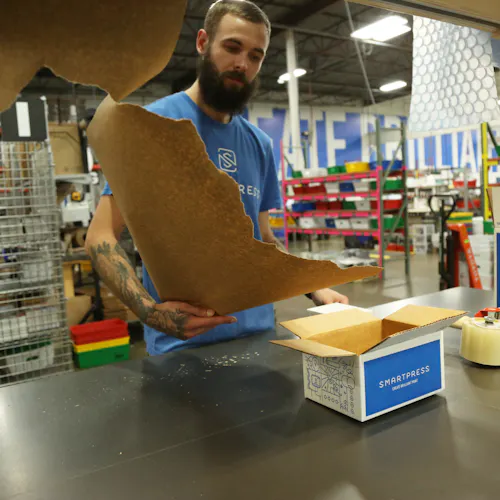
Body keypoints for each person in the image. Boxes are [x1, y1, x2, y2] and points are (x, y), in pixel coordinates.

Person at [85, 0, 348, 356]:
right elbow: (100, 236)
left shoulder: (259, 143)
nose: (242, 64)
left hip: (259, 337)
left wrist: (315, 287)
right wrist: (149, 312)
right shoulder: (153, 127)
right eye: (232, 47)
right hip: (183, 346)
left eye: (256, 56)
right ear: (202, 42)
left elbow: (263, 241)